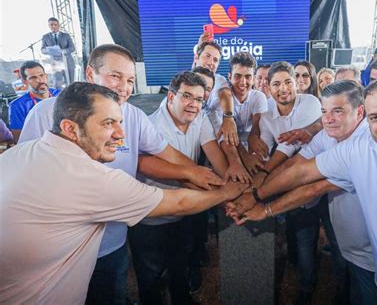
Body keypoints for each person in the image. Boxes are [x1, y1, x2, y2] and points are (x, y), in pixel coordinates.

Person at [231, 77, 377, 303]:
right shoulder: (361, 149)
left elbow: (313, 188)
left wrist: (262, 205)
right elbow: (301, 171)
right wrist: (255, 198)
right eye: (375, 117)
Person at [0, 82, 246, 304]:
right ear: (70, 128)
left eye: (119, 122)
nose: (121, 134)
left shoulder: (18, 153)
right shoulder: (91, 179)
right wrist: (229, 191)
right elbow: (179, 202)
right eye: (108, 123)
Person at [230, 81, 377, 304]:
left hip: (374, 253)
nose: (328, 119)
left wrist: (260, 206)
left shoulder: (363, 144)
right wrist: (255, 188)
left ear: (359, 111)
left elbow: (311, 186)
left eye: (338, 111)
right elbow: (293, 164)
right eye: (324, 112)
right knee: (345, 279)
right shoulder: (329, 134)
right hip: (352, 240)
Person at [129, 71, 229, 304]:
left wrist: (227, 182)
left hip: (184, 212)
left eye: (199, 99)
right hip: (150, 218)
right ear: (171, 96)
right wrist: (227, 195)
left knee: (180, 266)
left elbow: (214, 153)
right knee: (149, 276)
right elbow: (185, 177)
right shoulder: (151, 126)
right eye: (187, 97)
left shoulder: (201, 117)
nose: (194, 104)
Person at [257, 61, 322, 304]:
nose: (283, 88)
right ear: (269, 87)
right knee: (287, 235)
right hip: (281, 188)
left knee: (305, 239)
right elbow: (264, 150)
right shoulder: (266, 116)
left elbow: (290, 145)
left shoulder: (310, 103)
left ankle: (306, 287)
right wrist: (257, 162)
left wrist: (263, 178)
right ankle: (289, 271)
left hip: (308, 183)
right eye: (276, 84)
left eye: (287, 82)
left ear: (296, 83)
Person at [8, 61, 61, 142]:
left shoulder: (62, 95)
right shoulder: (18, 105)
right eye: (33, 78)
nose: (40, 80)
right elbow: (19, 139)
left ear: (46, 76)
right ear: (24, 81)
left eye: (41, 75)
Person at [41, 17, 76, 83]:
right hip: (55, 64)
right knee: (57, 83)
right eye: (51, 25)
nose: (53, 26)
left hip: (68, 62)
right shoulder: (45, 37)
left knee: (70, 83)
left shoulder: (66, 35)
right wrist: (49, 50)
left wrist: (64, 51)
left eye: (55, 24)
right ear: (49, 26)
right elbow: (42, 50)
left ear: (58, 25)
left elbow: (72, 48)